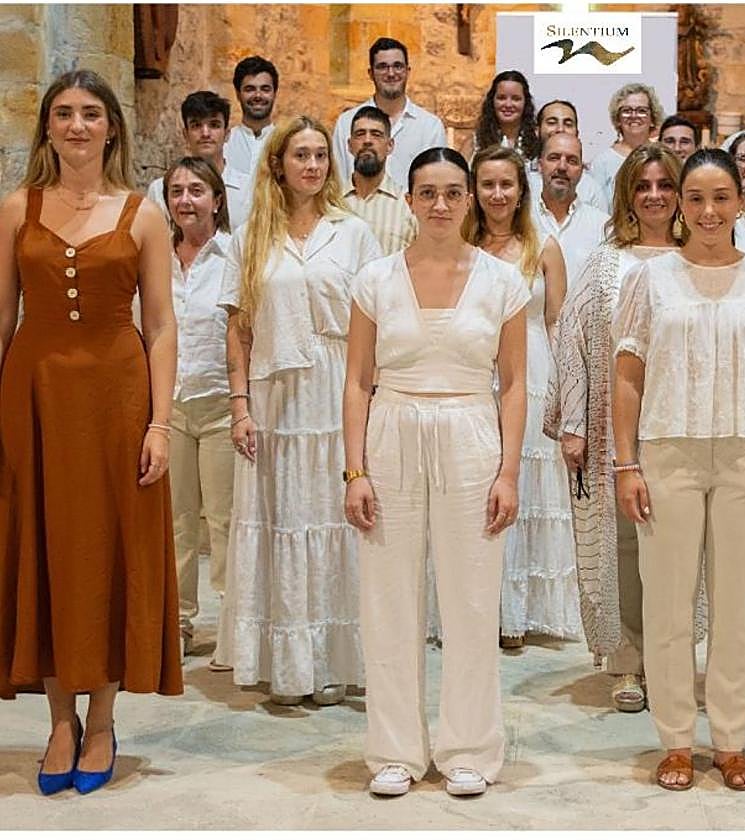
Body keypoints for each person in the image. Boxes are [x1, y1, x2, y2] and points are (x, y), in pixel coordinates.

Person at [0, 69, 181, 796]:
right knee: (44, 544)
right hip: (35, 396)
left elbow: (161, 325)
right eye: (64, 113)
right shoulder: (17, 208)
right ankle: (59, 722)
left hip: (117, 399)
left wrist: (159, 422)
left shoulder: (143, 214)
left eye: (91, 114)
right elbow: (1, 317)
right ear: (47, 127)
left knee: (108, 550)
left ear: (111, 128)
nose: (77, 125)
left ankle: (101, 720)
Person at [611, 148, 745, 792]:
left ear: (740, 202)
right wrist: (626, 463)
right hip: (668, 451)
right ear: (680, 204)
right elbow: (627, 376)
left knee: (739, 606)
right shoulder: (651, 279)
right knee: (667, 603)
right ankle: (674, 741)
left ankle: (730, 741)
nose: (709, 210)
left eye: (721, 197)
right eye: (696, 198)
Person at [343, 147, 528, 798]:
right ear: (409, 201)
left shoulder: (502, 282)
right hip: (392, 431)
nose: (441, 205)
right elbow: (357, 380)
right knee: (388, 599)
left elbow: (514, 384)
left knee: (472, 599)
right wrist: (355, 471)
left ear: (470, 198)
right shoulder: (375, 279)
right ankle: (394, 750)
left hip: (471, 435)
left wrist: (508, 472)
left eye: (453, 192)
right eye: (428, 193)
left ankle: (469, 749)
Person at [219, 116, 382, 707]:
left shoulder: (353, 232)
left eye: (319, 155)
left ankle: (336, 662)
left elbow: (375, 323)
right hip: (276, 398)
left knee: (337, 524)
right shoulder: (250, 237)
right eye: (300, 155)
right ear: (278, 165)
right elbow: (236, 329)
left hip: (337, 390)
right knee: (285, 522)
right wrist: (240, 406)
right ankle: (286, 666)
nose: (312, 165)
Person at [545, 142, 683, 712]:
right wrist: (575, 423)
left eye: (664, 185)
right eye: (642, 186)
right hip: (614, 426)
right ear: (626, 194)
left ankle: (669, 660)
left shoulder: (698, 258)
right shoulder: (606, 262)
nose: (654, 196)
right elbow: (571, 338)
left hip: (683, 425)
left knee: (679, 545)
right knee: (625, 544)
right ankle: (627, 660)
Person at [464, 145, 577, 648]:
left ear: (521, 190)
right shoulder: (462, 246)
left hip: (531, 373)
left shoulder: (544, 247)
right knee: (477, 483)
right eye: (487, 184)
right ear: (474, 191)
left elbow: (558, 323)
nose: (497, 194)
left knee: (525, 485)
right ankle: (479, 607)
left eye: (506, 184)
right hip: (475, 371)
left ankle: (520, 610)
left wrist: (565, 391)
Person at [162, 157, 236, 671]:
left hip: (220, 406)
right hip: (170, 407)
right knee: (176, 522)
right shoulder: (155, 258)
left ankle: (232, 627)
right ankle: (179, 623)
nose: (185, 200)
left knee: (227, 521)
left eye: (195, 190)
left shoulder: (233, 255)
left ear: (216, 199)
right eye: (176, 191)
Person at [332, 38, 447, 195]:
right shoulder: (346, 123)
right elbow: (338, 182)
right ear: (371, 74)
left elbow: (437, 183)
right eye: (382, 67)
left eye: (397, 66)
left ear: (407, 71)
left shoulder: (430, 127)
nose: (391, 73)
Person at [148, 91, 251, 229]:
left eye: (214, 125)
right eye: (196, 125)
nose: (205, 133)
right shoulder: (159, 190)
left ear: (227, 134)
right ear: (185, 134)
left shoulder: (249, 189)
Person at [531, 132, 608, 289]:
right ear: (540, 165)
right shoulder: (520, 219)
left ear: (582, 170)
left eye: (572, 161)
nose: (562, 167)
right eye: (554, 158)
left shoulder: (603, 227)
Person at [341, 106, 418, 255]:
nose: (367, 141)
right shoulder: (330, 202)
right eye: (360, 134)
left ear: (390, 146)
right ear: (349, 146)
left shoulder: (408, 207)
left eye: (376, 134)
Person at [589, 83, 665, 209]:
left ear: (652, 118)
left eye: (641, 111)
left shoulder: (662, 156)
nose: (634, 116)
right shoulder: (602, 162)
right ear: (618, 119)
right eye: (627, 111)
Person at [527, 99, 607, 211]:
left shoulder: (591, 189)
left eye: (568, 124)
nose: (560, 129)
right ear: (537, 130)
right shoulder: (521, 179)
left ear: (577, 133)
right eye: (552, 123)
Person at [459, 70, 539, 163]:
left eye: (516, 99)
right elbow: (456, 171)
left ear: (526, 103)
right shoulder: (474, 142)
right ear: (492, 101)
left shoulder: (538, 140)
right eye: (501, 98)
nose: (508, 104)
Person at [224, 55, 278, 177]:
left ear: (274, 94)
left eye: (265, 89)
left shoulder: (286, 143)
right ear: (238, 94)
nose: (258, 95)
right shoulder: (224, 144)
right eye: (250, 89)